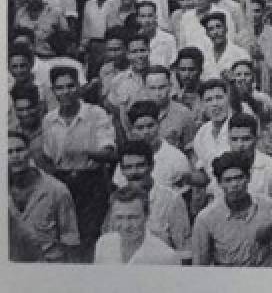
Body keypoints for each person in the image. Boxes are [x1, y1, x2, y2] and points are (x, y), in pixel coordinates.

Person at [43, 65, 117, 257]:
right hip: (62, 182)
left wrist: (83, 151)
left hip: (91, 183)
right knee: (62, 237)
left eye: (70, 86)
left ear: (78, 86)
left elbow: (109, 153)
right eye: (60, 88)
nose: (66, 92)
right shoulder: (49, 120)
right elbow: (49, 159)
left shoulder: (96, 114)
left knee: (89, 237)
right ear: (53, 91)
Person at [191, 151, 272, 267]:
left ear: (249, 178)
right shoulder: (206, 219)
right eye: (228, 180)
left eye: (239, 178)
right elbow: (200, 267)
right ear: (219, 183)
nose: (235, 184)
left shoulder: (268, 207)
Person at [8, 130, 81, 263]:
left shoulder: (57, 190)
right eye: (8, 152)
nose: (15, 156)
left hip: (48, 267)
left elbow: (70, 240)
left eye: (19, 150)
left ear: (29, 152)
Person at [93, 187, 181, 265]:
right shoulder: (103, 244)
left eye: (133, 217)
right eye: (119, 217)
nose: (126, 226)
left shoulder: (166, 257)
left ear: (147, 215)